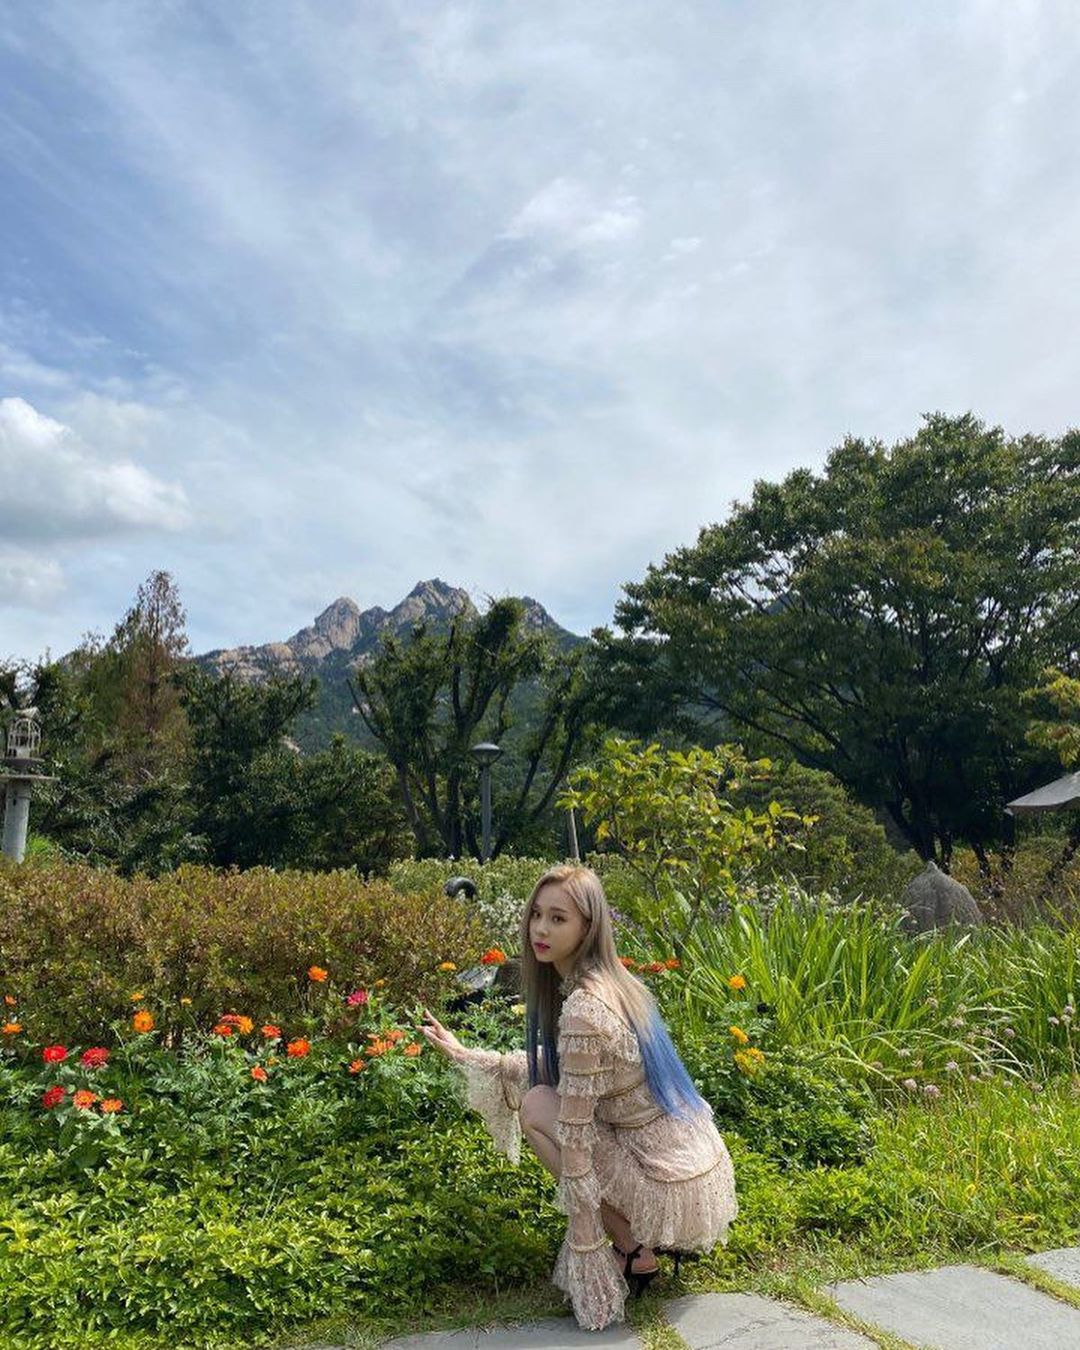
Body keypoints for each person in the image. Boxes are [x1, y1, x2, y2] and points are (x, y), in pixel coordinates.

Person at [419, 864, 738, 1332]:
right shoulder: (615, 982)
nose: (540, 930)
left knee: (537, 1107)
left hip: (665, 1184)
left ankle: (633, 1248)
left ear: (588, 928)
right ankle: (638, 1240)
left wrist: (588, 1247)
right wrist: (467, 1053)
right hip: (690, 1169)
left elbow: (575, 1139)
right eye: (536, 915)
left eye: (558, 918)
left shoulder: (585, 1007)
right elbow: (562, 1067)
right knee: (545, 1097)